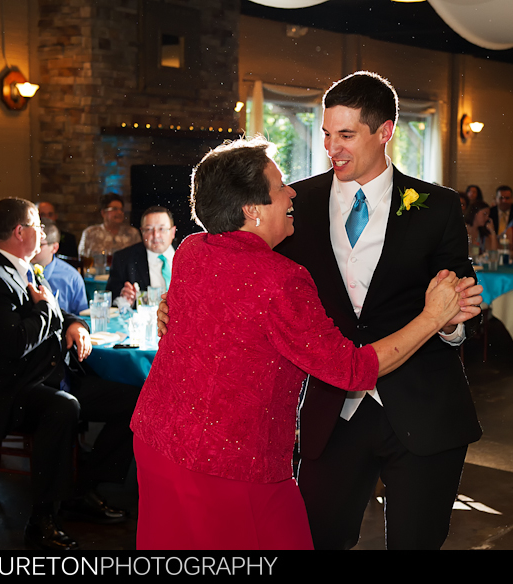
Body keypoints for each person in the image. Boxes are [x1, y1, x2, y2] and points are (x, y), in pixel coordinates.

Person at [159, 72, 483, 549]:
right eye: (328, 135)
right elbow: (239, 267)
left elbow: (459, 300)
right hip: (332, 413)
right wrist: (181, 305)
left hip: (423, 409)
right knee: (315, 541)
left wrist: (453, 325)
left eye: (347, 135)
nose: (334, 148)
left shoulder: (436, 206)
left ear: (385, 131)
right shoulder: (293, 202)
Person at [0, 198, 139, 551]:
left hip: (44, 376)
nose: (42, 232)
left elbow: (56, 314)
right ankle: (42, 520)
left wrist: (75, 325)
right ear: (19, 232)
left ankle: (81, 488)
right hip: (8, 392)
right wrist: (48, 309)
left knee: (132, 400)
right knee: (62, 407)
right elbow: (15, 342)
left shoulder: (24, 269)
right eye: (37, 225)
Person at [106, 206, 176, 305]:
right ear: (142, 232)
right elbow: (111, 298)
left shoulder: (190, 257)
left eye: (162, 229)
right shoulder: (123, 259)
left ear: (173, 232)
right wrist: (123, 300)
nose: (155, 235)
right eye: (149, 229)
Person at [31, 219, 88, 315]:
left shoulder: (71, 277)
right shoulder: (19, 270)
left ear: (54, 248)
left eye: (40, 244)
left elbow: (82, 316)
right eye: (31, 242)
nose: (33, 247)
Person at [77, 193, 142, 259]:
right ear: (103, 213)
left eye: (121, 209)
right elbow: (82, 259)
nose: (119, 212)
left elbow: (139, 259)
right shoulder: (90, 233)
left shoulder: (132, 234)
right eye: (115, 209)